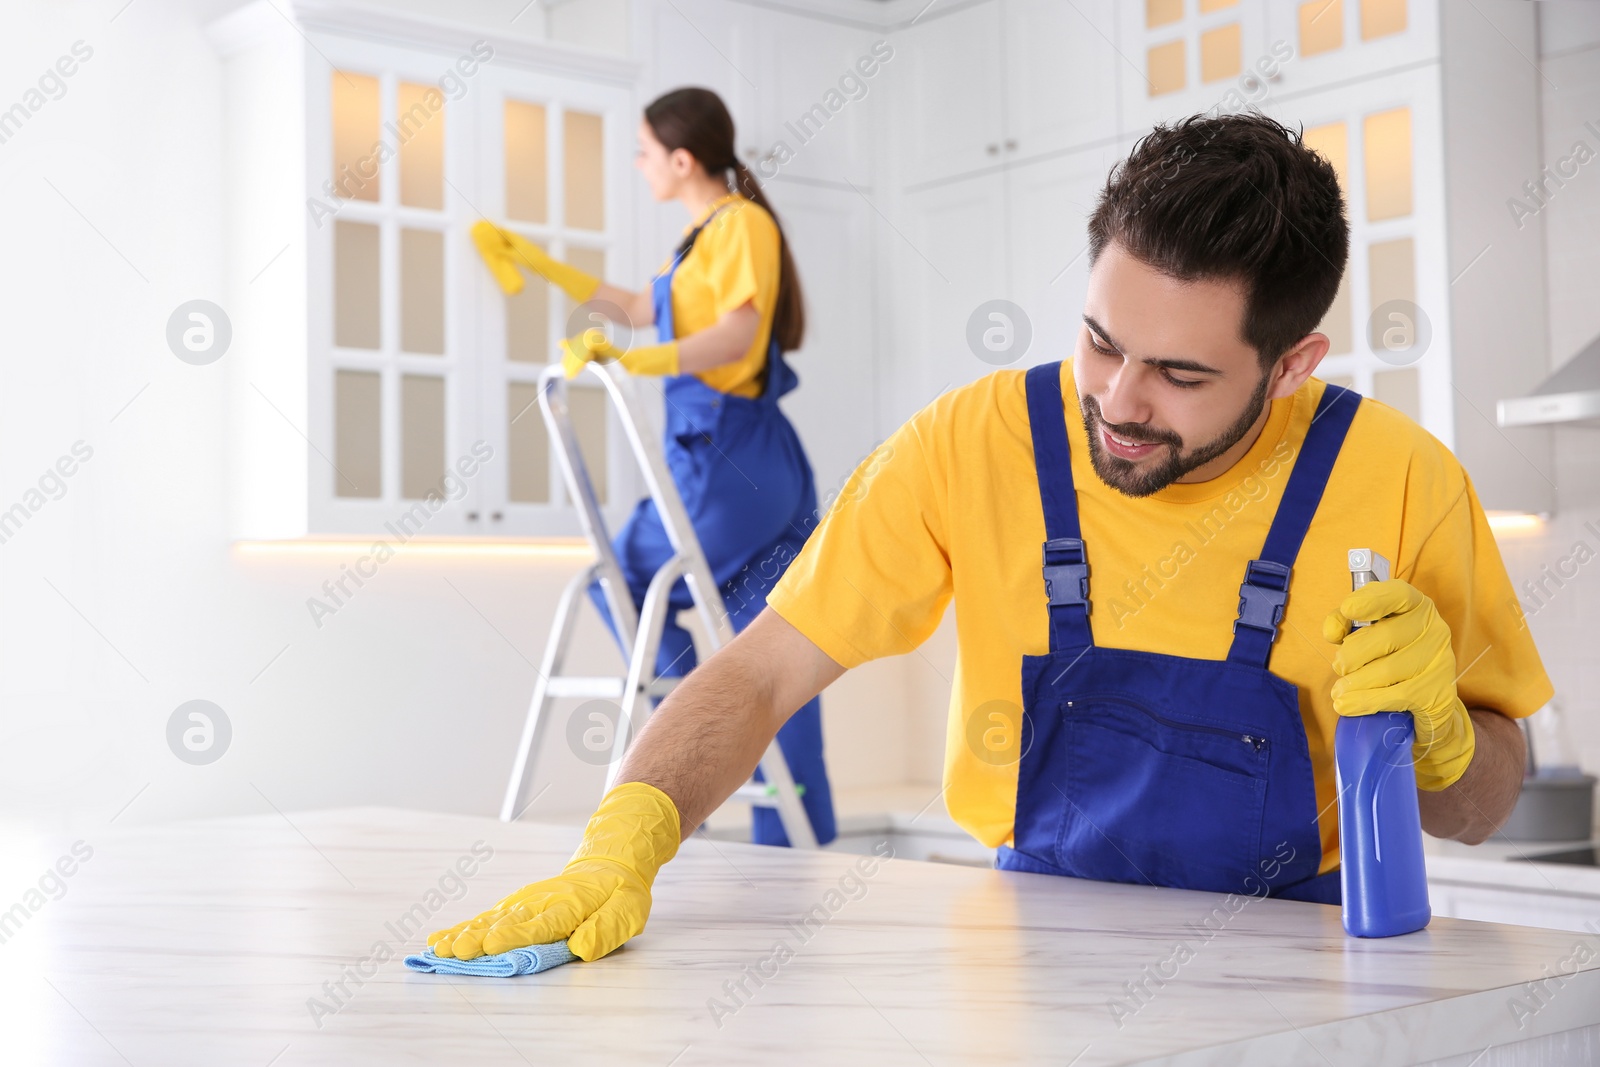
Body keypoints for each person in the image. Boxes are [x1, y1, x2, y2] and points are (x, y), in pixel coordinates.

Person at [432, 110, 1548, 964]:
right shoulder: (975, 442)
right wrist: (628, 831)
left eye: (1180, 373)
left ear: (1292, 364)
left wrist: (1445, 737)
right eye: (1101, 341)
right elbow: (763, 671)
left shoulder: (1397, 480)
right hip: (1030, 960)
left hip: (1302, 967)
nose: (1116, 399)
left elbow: (1483, 806)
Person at [471, 87, 835, 850]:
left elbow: (736, 337)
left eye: (642, 152)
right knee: (776, 652)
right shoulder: (699, 238)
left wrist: (637, 361)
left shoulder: (743, 226)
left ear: (680, 157)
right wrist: (539, 263)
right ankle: (798, 851)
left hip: (728, 459)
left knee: (623, 577)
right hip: (752, 466)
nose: (637, 166)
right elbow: (636, 306)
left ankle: (697, 734)